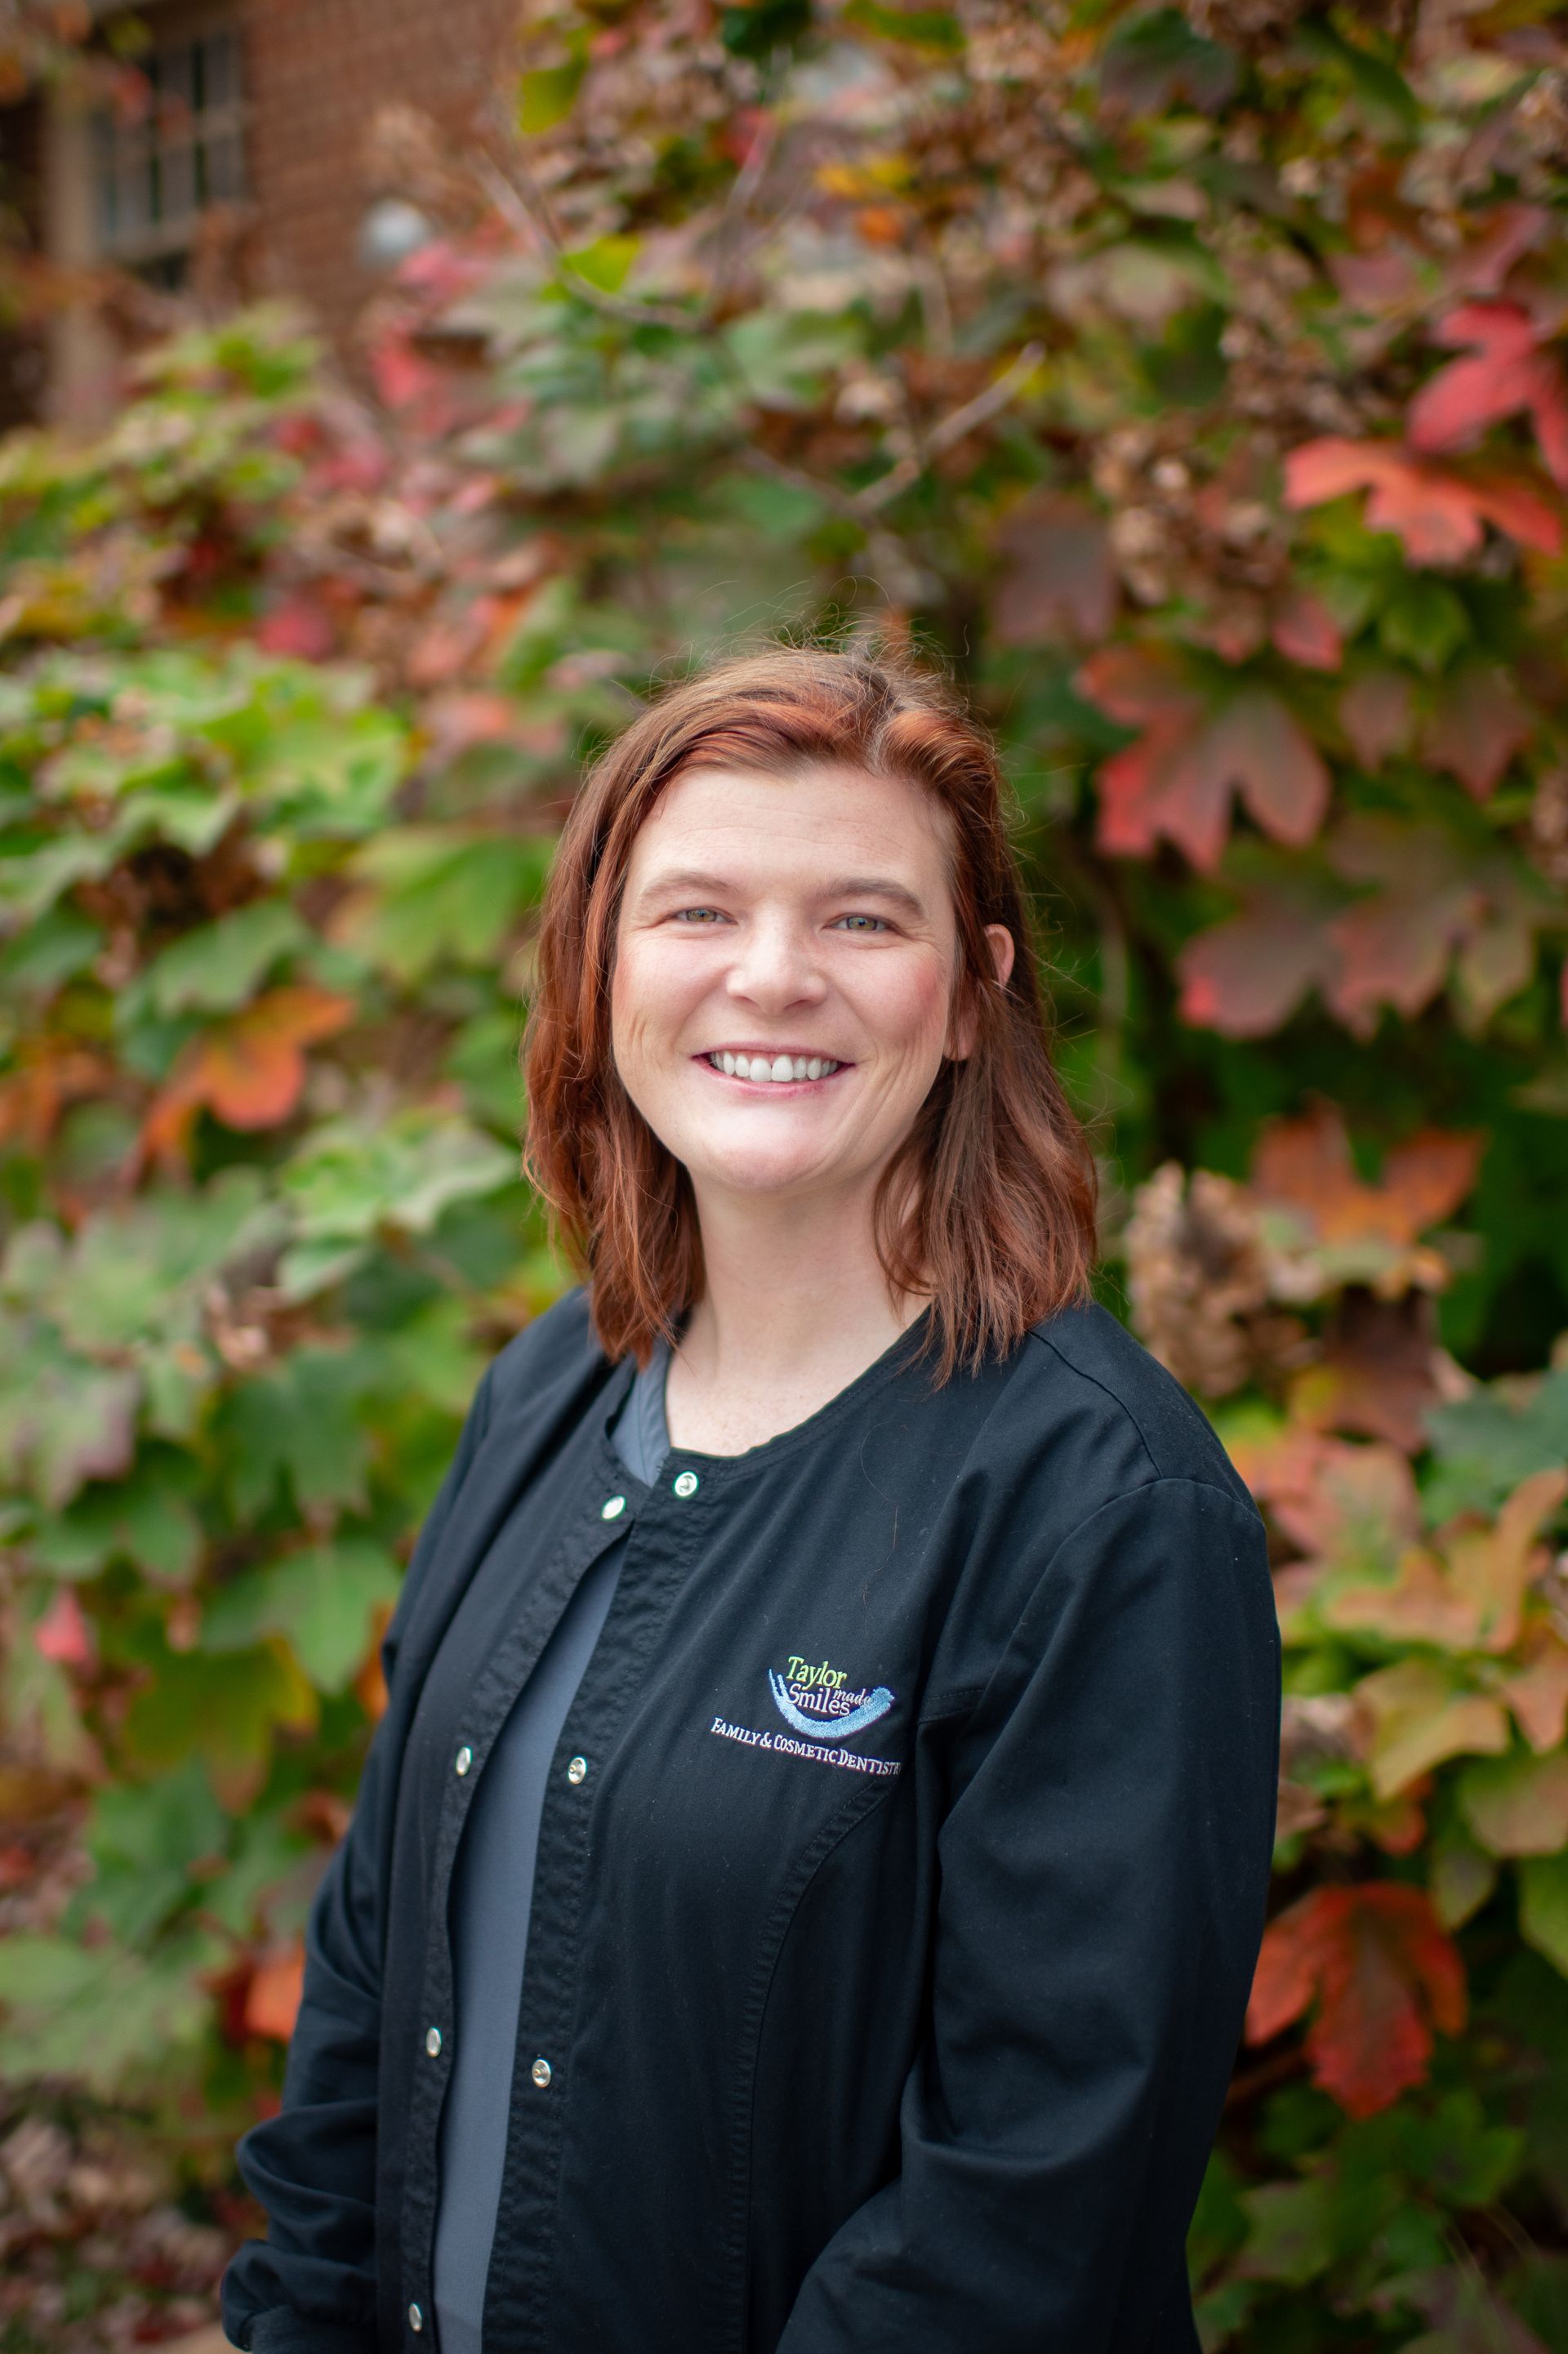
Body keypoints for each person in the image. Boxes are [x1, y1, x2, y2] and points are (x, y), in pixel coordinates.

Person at [222, 645, 1281, 2354]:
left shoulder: (1104, 1509)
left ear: (968, 993)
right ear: (605, 971)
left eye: (863, 920)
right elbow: (376, 1963)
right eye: (697, 912)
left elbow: (1031, 2204)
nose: (772, 978)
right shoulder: (546, 1391)